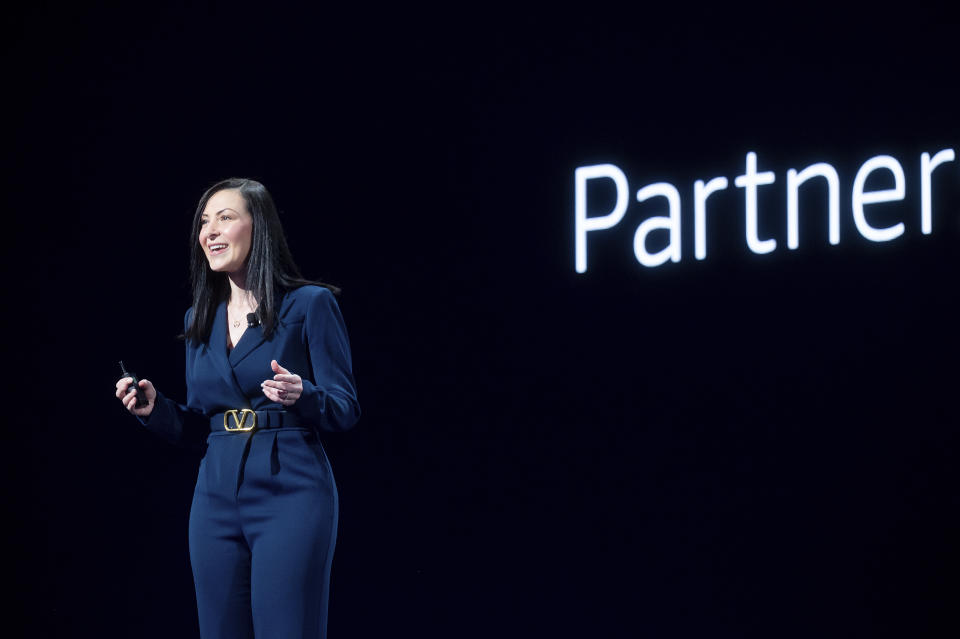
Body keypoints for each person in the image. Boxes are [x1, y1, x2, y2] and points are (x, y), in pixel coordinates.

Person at [115, 178, 360, 639]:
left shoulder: (310, 305)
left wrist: (302, 393)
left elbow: (345, 408)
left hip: (291, 489)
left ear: (258, 228)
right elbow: (200, 425)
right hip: (215, 497)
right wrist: (154, 409)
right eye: (204, 222)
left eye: (225, 217)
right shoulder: (198, 319)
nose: (210, 231)